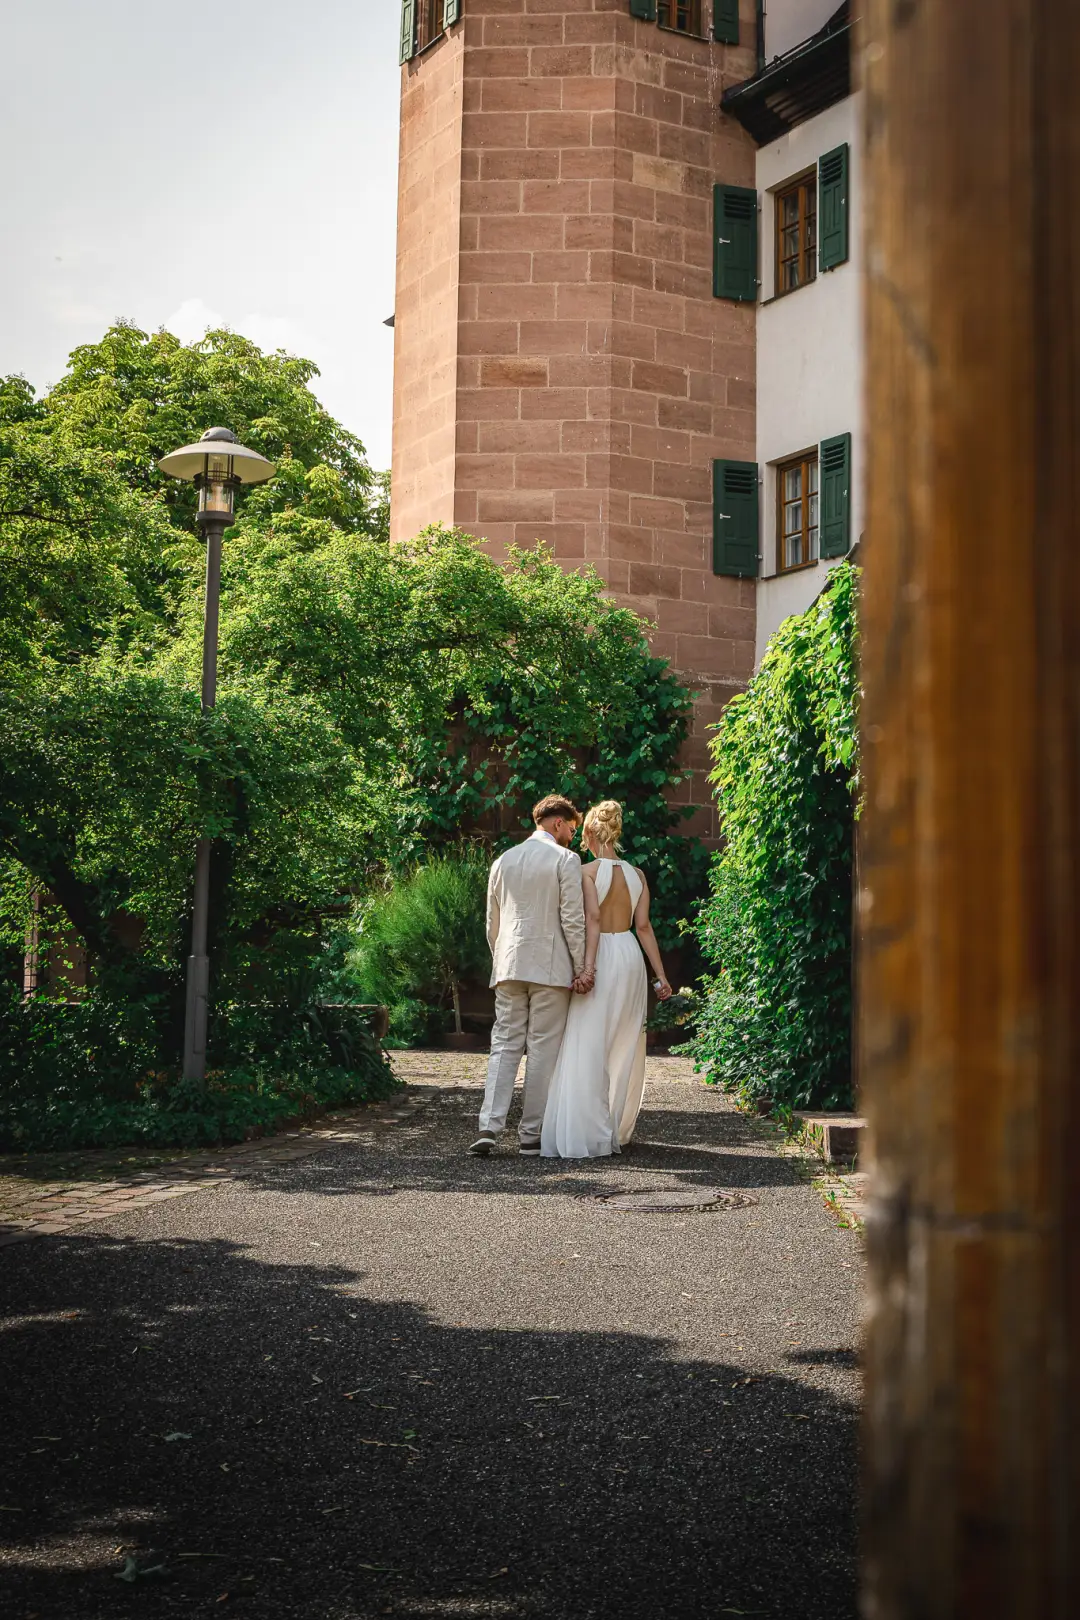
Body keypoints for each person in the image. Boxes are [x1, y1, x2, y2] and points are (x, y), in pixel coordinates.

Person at [540, 800, 672, 1159]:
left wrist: (588, 967)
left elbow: (592, 922)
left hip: (601, 955)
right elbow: (643, 928)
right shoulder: (638, 876)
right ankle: (614, 1126)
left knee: (587, 1038)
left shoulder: (585, 872)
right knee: (624, 1042)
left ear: (588, 833)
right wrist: (660, 976)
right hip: (630, 956)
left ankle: (588, 1131)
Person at [469, 795, 587, 1157]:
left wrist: (501, 958)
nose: (572, 834)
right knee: (541, 1050)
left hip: (508, 964)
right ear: (557, 823)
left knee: (504, 1044)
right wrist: (582, 966)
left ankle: (489, 1125)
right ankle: (530, 1134)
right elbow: (572, 919)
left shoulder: (503, 860)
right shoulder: (566, 860)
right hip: (550, 968)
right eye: (571, 827)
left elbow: (493, 923)